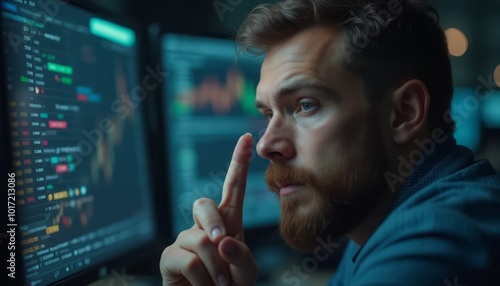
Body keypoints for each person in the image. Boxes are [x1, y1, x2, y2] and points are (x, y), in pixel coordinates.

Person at [159, 0, 500, 285]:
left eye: (305, 105)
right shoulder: (376, 219)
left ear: (403, 112)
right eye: (267, 113)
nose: (266, 145)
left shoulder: (434, 242)